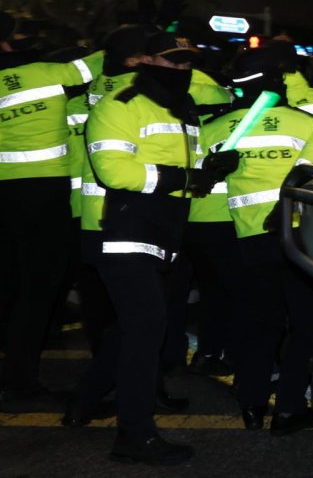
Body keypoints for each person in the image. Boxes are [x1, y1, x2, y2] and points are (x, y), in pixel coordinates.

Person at [71, 32, 238, 464]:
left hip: (161, 230)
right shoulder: (119, 106)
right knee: (146, 327)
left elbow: (179, 169)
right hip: (119, 226)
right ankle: (134, 435)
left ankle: (84, 401)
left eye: (186, 65)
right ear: (144, 60)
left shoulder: (182, 109)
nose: (180, 71)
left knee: (131, 327)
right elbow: (115, 170)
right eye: (171, 63)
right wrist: (187, 179)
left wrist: (210, 169)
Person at [212, 48, 313, 433]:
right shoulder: (306, 124)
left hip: (249, 239)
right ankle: (290, 409)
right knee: (303, 326)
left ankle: (251, 405)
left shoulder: (219, 128)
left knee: (259, 324)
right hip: (299, 238)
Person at [0, 16, 101, 411]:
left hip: (4, 194)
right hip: (44, 192)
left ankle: (15, 372)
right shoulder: (47, 73)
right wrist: (149, 18)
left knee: (10, 285)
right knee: (39, 289)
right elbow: (105, 58)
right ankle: (21, 382)